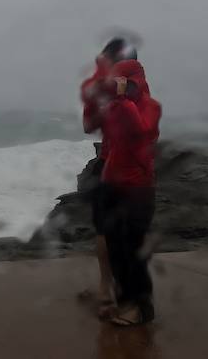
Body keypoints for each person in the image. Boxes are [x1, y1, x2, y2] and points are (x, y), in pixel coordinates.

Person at [97, 52, 162, 326]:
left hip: (137, 189)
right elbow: (111, 144)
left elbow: (140, 134)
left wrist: (123, 100)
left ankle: (141, 308)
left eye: (125, 81)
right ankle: (125, 303)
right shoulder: (116, 106)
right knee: (117, 251)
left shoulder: (151, 106)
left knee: (134, 251)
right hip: (112, 185)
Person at [79, 38, 137, 315]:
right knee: (114, 229)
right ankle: (110, 287)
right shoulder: (128, 90)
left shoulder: (127, 90)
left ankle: (109, 291)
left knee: (108, 230)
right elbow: (90, 126)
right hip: (128, 167)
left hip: (116, 168)